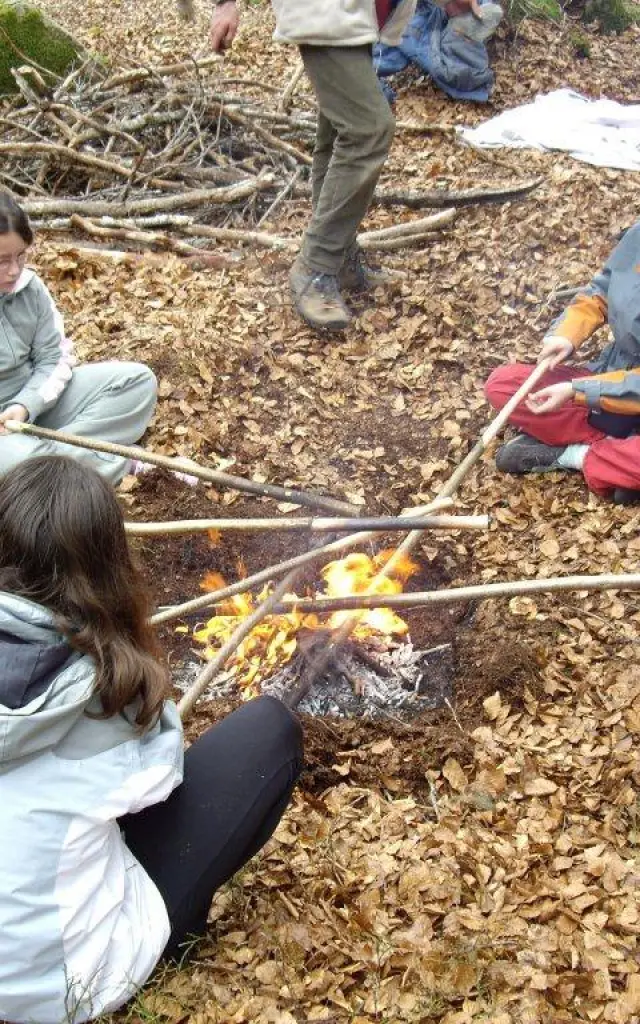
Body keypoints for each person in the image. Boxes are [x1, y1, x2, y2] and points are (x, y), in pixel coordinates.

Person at [0, 455, 303, 1023]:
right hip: (57, 987)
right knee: (270, 730)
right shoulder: (101, 691)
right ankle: (175, 926)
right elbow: (162, 780)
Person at [209, 0, 482, 332]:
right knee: (368, 129)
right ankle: (315, 266)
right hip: (324, 11)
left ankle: (337, 259)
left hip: (355, 16)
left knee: (340, 130)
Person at [0, 191, 157, 483]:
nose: (14, 270)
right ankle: (121, 463)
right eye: (2, 261)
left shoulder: (30, 288)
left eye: (21, 256)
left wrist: (25, 405)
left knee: (137, 382)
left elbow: (54, 358)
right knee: (22, 461)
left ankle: (52, 460)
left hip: (36, 403)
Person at [485, 221, 640, 505]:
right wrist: (567, 335)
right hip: (611, 381)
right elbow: (601, 290)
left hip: (621, 392)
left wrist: (576, 390)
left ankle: (576, 456)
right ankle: (617, 462)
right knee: (503, 385)